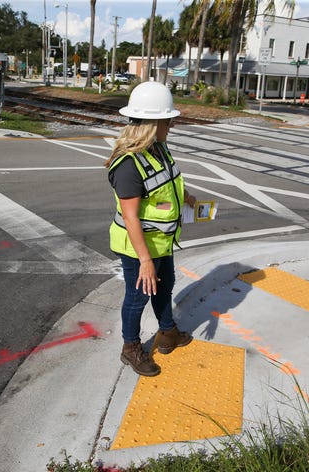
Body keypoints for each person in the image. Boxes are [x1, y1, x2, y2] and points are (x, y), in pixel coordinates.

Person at [104, 81, 196, 377]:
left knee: (164, 286)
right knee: (137, 296)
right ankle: (130, 349)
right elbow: (131, 218)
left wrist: (188, 198)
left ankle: (167, 332)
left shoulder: (160, 148)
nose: (171, 124)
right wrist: (145, 261)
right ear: (154, 123)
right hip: (137, 247)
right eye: (168, 120)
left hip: (161, 243)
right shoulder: (129, 165)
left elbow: (168, 183)